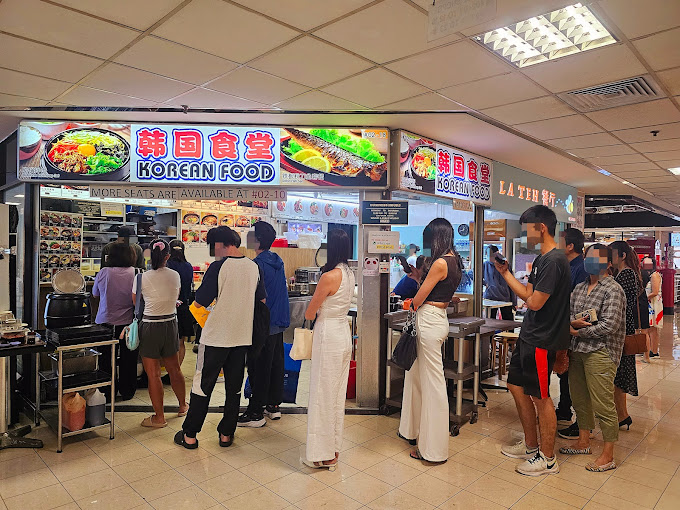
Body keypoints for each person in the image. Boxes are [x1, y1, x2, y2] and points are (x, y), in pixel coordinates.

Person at [495, 205, 571, 476]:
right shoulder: (541, 260)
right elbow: (528, 291)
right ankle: (530, 446)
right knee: (516, 386)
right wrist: (505, 273)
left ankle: (548, 459)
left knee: (541, 397)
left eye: (527, 228)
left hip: (542, 339)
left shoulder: (554, 261)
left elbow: (536, 302)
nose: (523, 235)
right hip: (529, 335)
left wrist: (526, 295)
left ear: (542, 227)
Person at [176, 226, 266, 449]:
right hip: (242, 337)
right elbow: (261, 301)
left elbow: (200, 302)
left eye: (213, 246)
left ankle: (190, 435)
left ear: (221, 244)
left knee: (202, 385)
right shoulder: (253, 267)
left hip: (216, 338)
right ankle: (226, 434)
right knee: (234, 388)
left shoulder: (218, 267)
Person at [399, 218, 463, 463]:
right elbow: (434, 290)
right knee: (417, 377)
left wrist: (415, 291)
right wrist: (418, 278)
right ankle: (414, 433)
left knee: (432, 385)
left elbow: (418, 299)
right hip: (438, 319)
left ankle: (433, 449)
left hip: (428, 321)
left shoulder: (439, 262)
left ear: (436, 237)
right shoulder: (454, 260)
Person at [560, 244, 626, 472]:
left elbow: (610, 324)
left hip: (601, 352)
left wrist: (576, 331)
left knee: (603, 403)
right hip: (577, 350)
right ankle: (583, 440)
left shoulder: (613, 289)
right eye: (589, 257)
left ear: (608, 263)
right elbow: (567, 314)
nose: (591, 262)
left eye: (597, 258)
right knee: (579, 398)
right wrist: (571, 326)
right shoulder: (579, 287)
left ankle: (608, 454)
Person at [301, 229, 356, 470]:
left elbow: (310, 312)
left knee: (322, 393)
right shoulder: (349, 273)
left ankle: (319, 454)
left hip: (328, 334)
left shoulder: (329, 276)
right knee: (336, 395)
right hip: (344, 333)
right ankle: (333, 449)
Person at [238, 221, 290, 427]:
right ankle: (273, 406)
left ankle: (255, 413)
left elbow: (252, 296)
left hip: (262, 323)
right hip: (278, 321)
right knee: (276, 364)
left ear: (258, 240)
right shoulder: (278, 260)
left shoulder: (256, 265)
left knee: (259, 367)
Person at [133, 240, 188, 427]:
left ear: (149, 256)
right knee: (174, 369)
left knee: (154, 374)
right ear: (167, 256)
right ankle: (182, 406)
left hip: (150, 325)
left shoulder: (141, 277)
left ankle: (159, 417)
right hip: (171, 324)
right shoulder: (175, 275)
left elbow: (136, 302)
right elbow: (175, 296)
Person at [92, 243, 138, 401]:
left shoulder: (104, 272)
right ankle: (128, 391)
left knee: (105, 359)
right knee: (128, 358)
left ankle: (107, 391)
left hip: (105, 322)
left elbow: (95, 294)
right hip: (128, 324)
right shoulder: (136, 273)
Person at [610, 241, 649, 429]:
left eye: (612, 253)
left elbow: (619, 302)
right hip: (624, 326)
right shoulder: (625, 274)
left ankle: (622, 415)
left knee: (619, 373)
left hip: (622, 328)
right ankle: (621, 415)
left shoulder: (626, 275)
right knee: (619, 373)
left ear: (622, 255)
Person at [557, 227, 590, 439]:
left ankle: (583, 424)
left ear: (570, 246)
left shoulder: (582, 269)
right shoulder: (568, 266)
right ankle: (563, 408)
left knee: (578, 376)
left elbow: (583, 303)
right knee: (566, 372)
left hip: (577, 329)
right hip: (566, 326)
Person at [166, 240, 194, 368]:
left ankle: (169, 371)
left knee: (168, 343)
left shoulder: (167, 265)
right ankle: (176, 371)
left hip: (169, 308)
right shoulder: (188, 266)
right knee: (180, 342)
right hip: (184, 307)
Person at [483, 245, 513, 320]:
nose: (490, 257)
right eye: (488, 254)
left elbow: (511, 284)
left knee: (508, 322)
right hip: (490, 298)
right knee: (490, 323)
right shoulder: (485, 265)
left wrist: (514, 302)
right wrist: (485, 283)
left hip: (505, 298)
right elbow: (472, 275)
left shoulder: (505, 265)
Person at [642, 256, 662, 358]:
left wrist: (643, 298)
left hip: (654, 304)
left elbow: (654, 292)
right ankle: (651, 349)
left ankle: (654, 351)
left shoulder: (655, 275)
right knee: (650, 328)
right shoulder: (650, 275)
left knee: (653, 328)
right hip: (650, 303)